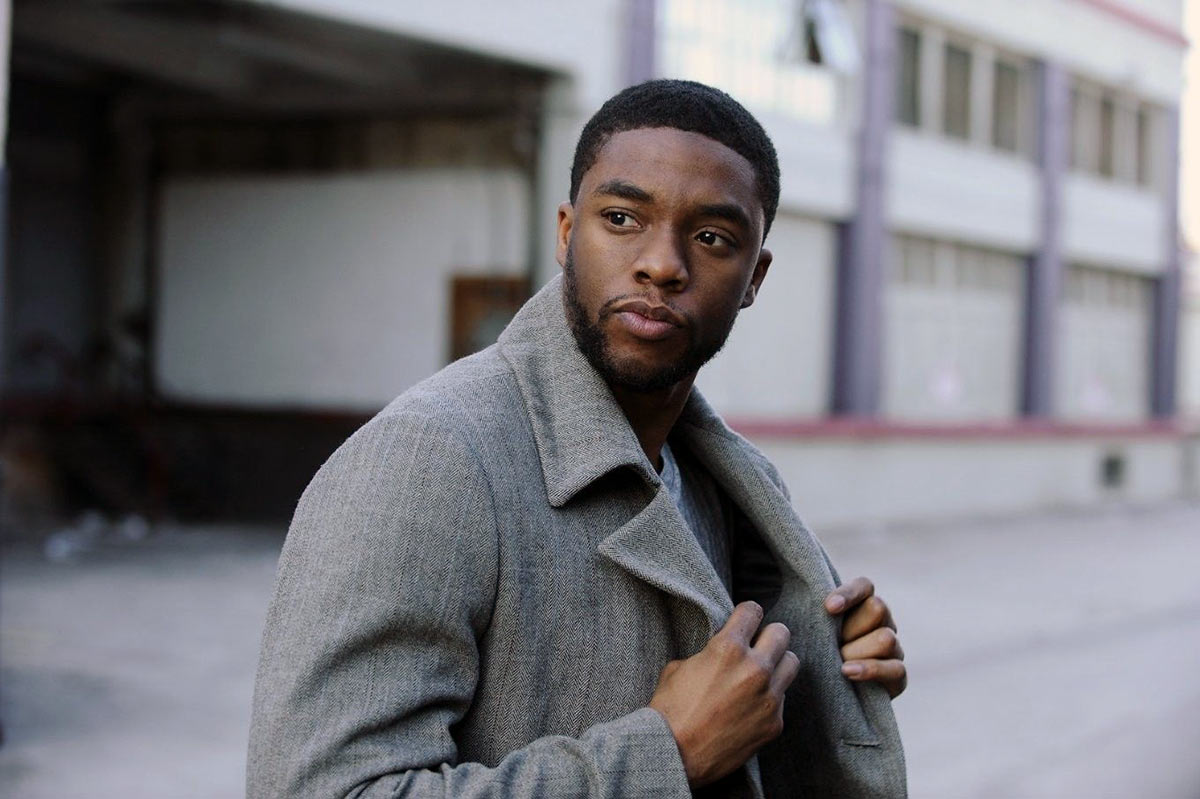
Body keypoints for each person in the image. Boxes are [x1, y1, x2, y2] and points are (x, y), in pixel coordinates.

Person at [248, 79, 907, 798]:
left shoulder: (731, 482)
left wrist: (821, 660)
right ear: (566, 233)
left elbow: (741, 722)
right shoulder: (430, 457)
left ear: (755, 277)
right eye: (622, 218)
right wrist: (666, 753)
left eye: (712, 238)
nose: (662, 264)